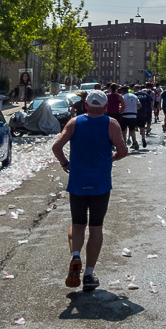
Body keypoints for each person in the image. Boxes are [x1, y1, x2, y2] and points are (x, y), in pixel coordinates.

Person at [50, 89, 128, 292]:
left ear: (85, 105)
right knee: (96, 228)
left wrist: (64, 163)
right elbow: (123, 151)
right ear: (104, 107)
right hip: (100, 183)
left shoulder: (75, 123)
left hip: (77, 181)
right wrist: (110, 158)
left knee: (77, 224)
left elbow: (57, 146)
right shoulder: (111, 124)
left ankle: (76, 256)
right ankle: (89, 274)